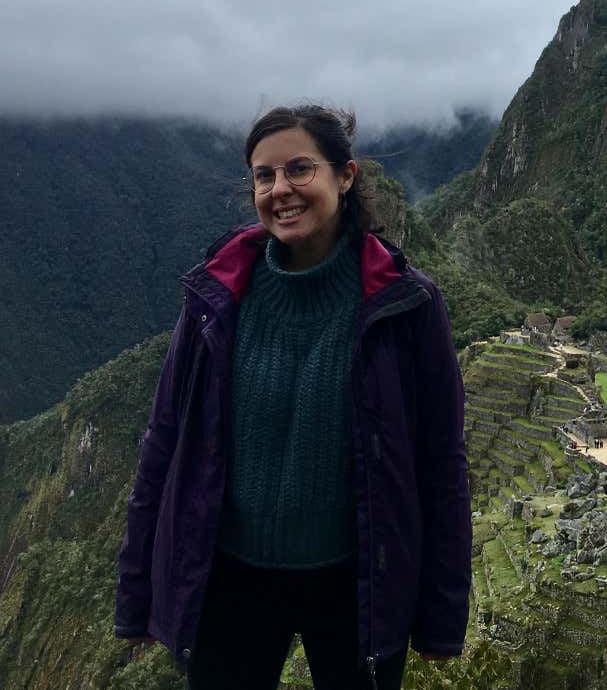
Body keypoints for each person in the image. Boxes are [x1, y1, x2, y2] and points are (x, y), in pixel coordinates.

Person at [114, 104, 471, 689]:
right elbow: (165, 441)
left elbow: (441, 465)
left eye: (300, 170)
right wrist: (138, 592)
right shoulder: (218, 295)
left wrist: (440, 617)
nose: (281, 190)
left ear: (345, 176)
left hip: (357, 585)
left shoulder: (406, 305)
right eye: (264, 175)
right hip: (230, 578)